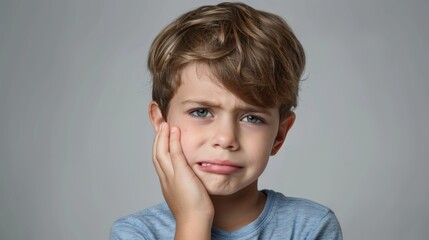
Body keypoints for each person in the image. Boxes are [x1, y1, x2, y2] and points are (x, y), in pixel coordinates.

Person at [110, 2, 342, 239]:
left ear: (279, 135)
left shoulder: (310, 227)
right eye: (201, 112)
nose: (226, 138)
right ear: (161, 123)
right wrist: (193, 217)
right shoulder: (135, 233)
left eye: (252, 118)